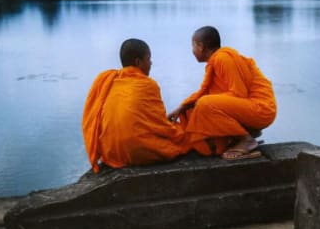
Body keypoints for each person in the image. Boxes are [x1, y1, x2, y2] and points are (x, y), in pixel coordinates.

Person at [168, 26, 277, 160]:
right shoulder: (216, 61)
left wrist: (201, 102)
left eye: (193, 46)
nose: (192, 50)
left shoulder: (223, 59)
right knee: (194, 108)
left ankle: (247, 139)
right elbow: (212, 93)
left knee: (205, 103)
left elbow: (238, 93)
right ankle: (234, 138)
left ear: (201, 46)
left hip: (261, 109)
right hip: (248, 107)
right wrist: (184, 106)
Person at [82, 38, 190, 172]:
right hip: (136, 151)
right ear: (138, 62)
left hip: (110, 151)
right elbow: (160, 126)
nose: (151, 63)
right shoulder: (148, 85)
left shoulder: (109, 80)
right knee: (184, 137)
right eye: (148, 59)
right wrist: (178, 131)